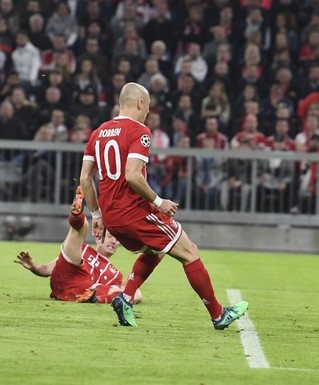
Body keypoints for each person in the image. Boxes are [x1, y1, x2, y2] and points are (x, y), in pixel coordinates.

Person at [79, 82, 248, 328]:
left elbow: (85, 178)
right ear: (139, 103)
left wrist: (96, 215)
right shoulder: (140, 131)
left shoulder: (98, 133)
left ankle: (125, 298)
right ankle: (218, 314)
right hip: (135, 212)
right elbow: (132, 175)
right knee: (190, 252)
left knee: (156, 250)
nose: (148, 111)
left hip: (112, 216)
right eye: (147, 106)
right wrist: (160, 202)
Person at [14, 187, 142, 304]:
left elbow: (123, 292)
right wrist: (33, 266)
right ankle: (77, 215)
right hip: (69, 274)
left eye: (117, 239)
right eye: (109, 236)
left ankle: (96, 298)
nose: (113, 241)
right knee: (83, 226)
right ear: (98, 237)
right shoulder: (83, 249)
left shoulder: (115, 274)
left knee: (132, 293)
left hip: (85, 287)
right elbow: (48, 269)